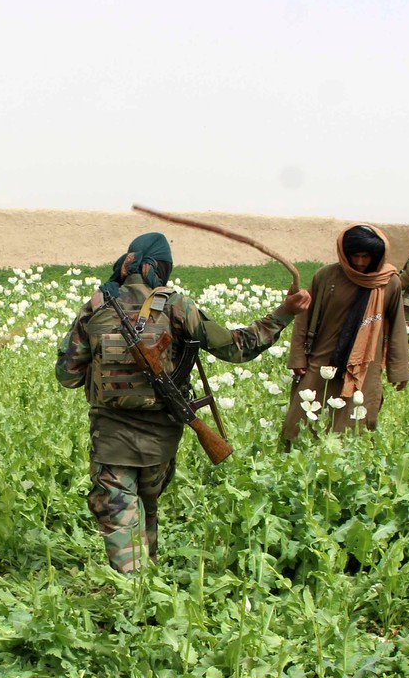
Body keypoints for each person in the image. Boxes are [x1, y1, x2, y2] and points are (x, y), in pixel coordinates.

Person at [56, 231, 311, 573]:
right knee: (147, 505)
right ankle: (145, 586)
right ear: (162, 269)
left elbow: (68, 376)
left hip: (110, 435)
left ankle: (134, 591)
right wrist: (284, 312)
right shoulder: (177, 305)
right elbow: (237, 347)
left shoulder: (97, 306)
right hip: (162, 437)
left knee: (118, 515)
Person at [283, 225, 409, 440]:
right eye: (354, 256)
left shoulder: (389, 283)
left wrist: (398, 369)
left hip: (364, 367)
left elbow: (397, 326)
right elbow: (304, 316)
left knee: (354, 424)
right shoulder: (326, 276)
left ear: (376, 256)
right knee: (300, 423)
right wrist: (298, 356)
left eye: (365, 256)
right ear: (344, 254)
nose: (359, 262)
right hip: (323, 361)